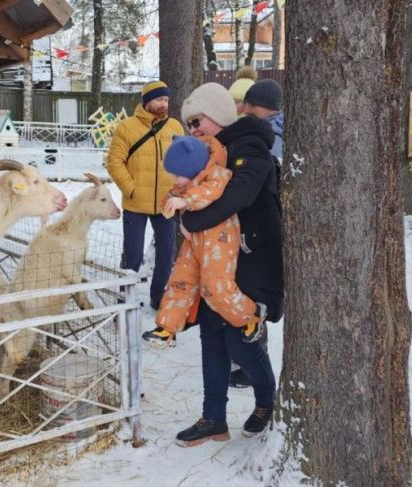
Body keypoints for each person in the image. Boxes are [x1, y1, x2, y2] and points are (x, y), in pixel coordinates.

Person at [174, 82, 283, 445]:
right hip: (217, 260)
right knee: (212, 341)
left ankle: (267, 399)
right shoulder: (215, 151)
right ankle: (213, 418)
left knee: (240, 342)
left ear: (217, 116)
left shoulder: (248, 144)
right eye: (189, 125)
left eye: (197, 121)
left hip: (249, 261)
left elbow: (240, 194)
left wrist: (190, 221)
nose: (193, 131)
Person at [142, 135, 267, 348]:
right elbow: (169, 200)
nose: (174, 180)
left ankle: (250, 315)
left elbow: (209, 192)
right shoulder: (184, 184)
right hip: (195, 242)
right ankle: (167, 327)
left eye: (177, 175)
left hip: (219, 241)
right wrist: (170, 204)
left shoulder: (217, 174)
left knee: (215, 286)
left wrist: (186, 200)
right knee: (180, 281)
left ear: (191, 169)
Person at [107, 81, 185, 310]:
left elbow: (182, 161)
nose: (164, 104)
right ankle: (126, 295)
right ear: (147, 101)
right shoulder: (126, 128)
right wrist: (131, 189)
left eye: (167, 100)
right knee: (132, 254)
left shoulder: (175, 127)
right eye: (160, 99)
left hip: (166, 202)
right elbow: (114, 162)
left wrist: (177, 190)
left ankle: (158, 296)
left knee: (166, 254)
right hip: (135, 203)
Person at [229, 78, 285, 389]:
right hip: (275, 229)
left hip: (259, 231)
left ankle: (251, 367)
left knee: (255, 295)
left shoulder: (263, 139)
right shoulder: (287, 131)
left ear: (252, 106)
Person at [244, 79, 284, 161]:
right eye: (246, 104)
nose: (246, 110)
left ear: (269, 106)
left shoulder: (273, 139)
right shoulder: (260, 130)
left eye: (253, 105)